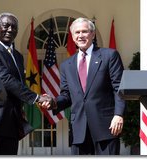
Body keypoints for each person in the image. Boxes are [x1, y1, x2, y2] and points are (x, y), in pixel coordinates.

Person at [43, 17, 125, 155]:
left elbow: (119, 88)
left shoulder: (109, 56)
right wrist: (53, 102)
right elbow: (66, 95)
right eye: (77, 32)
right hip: (79, 130)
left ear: (92, 34)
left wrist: (118, 114)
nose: (80, 35)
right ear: (73, 37)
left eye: (84, 31)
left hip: (106, 126)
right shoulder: (66, 65)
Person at [0, 12, 50, 155]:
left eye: (14, 27)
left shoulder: (18, 56)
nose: (10, 30)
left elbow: (18, 83)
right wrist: (36, 98)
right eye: (5, 26)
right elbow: (4, 78)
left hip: (11, 123)